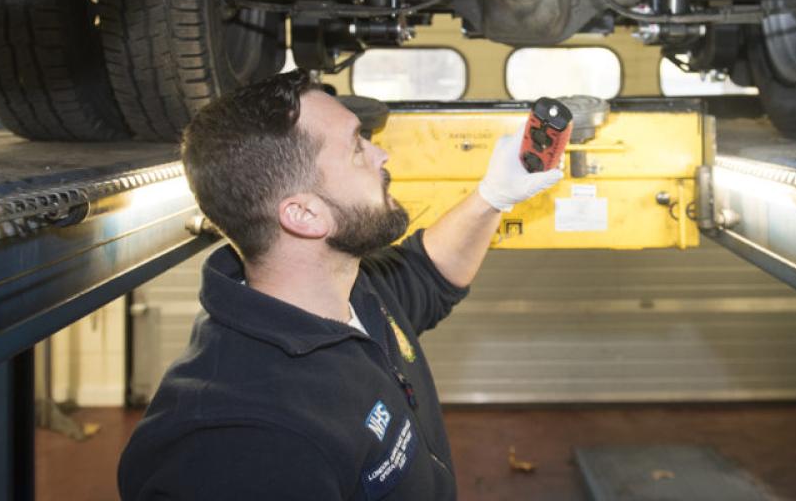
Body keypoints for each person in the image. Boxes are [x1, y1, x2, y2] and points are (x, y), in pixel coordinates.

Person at [117, 70, 562, 500]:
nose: (381, 155)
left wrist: (493, 197)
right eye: (356, 149)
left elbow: (428, 272)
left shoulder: (349, 290)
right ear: (304, 215)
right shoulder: (240, 442)